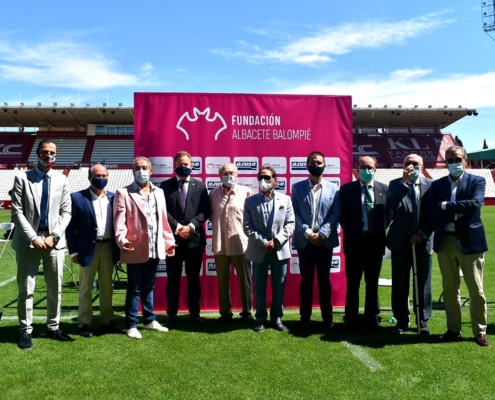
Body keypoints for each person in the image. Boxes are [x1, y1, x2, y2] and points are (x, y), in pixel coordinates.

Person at [11, 139, 72, 350]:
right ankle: (26, 331)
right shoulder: (22, 178)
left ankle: (53, 327)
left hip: (53, 241)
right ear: (37, 153)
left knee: (55, 287)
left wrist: (53, 236)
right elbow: (17, 212)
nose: (49, 156)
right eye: (45, 152)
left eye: (52, 152)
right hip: (29, 242)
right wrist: (33, 237)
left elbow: (66, 213)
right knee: (26, 289)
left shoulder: (62, 180)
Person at [427, 146, 489, 346]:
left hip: (470, 242)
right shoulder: (437, 185)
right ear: (446, 162)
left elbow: (475, 205)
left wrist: (444, 206)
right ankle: (454, 329)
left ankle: (480, 330)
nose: (454, 163)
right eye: (450, 160)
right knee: (450, 289)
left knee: (476, 289)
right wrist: (455, 211)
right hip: (445, 241)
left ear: (466, 160)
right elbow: (431, 211)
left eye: (458, 159)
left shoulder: (477, 181)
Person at [114, 157, 177, 339]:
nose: (141, 170)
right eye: (137, 168)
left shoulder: (159, 192)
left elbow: (163, 221)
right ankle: (131, 324)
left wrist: (169, 242)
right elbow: (119, 222)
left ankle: (149, 320)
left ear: (151, 171)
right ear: (133, 171)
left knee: (149, 286)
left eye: (144, 167)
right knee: (134, 287)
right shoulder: (123, 193)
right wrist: (122, 240)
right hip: (134, 248)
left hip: (155, 248)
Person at [66, 164, 121, 338]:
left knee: (107, 287)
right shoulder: (77, 198)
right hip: (86, 249)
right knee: (85, 289)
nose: (101, 178)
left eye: (104, 175)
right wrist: (74, 252)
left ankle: (107, 320)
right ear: (90, 177)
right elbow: (70, 228)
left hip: (108, 247)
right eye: (97, 175)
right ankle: (84, 323)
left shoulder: (114, 198)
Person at [339, 156, 390, 330]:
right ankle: (351, 315)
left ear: (375, 169)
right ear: (357, 169)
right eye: (363, 167)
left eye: (370, 167)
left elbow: (388, 216)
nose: (366, 170)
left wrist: (377, 230)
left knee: (372, 281)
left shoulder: (385, 190)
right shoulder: (347, 190)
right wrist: (355, 231)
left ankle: (371, 315)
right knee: (353, 282)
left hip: (375, 243)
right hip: (354, 243)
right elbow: (342, 216)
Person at [291, 151, 340, 329]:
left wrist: (322, 234)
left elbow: (335, 214)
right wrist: (308, 234)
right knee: (306, 282)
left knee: (324, 282)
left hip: (324, 242)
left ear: (325, 165)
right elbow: (294, 213)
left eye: (319, 162)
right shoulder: (297, 188)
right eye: (313, 162)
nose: (316, 165)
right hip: (305, 243)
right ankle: (305, 318)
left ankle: (328, 318)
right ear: (307, 165)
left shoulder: (334, 188)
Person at [386, 154, 434, 335]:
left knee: (423, 283)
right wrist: (404, 182)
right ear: (403, 166)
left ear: (422, 166)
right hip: (400, 242)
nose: (412, 166)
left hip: (422, 241)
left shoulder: (431, 186)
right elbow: (391, 205)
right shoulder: (395, 184)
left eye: (415, 163)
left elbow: (433, 214)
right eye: (408, 163)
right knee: (400, 283)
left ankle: (422, 321)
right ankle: (401, 320)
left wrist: (423, 233)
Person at [160, 151, 210, 326]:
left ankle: (194, 314)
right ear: (175, 165)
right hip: (172, 241)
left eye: (187, 164)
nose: (183, 166)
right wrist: (178, 227)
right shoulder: (164, 186)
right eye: (180, 164)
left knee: (193, 279)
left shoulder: (201, 186)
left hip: (194, 241)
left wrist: (192, 226)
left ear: (192, 165)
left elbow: (205, 211)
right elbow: (162, 211)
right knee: (172, 279)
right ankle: (171, 314)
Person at [243, 167, 295, 332]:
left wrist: (277, 241)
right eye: (260, 177)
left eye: (266, 177)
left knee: (279, 284)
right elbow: (247, 227)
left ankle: (277, 318)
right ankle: (260, 319)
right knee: (259, 285)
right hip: (260, 250)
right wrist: (264, 243)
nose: (262, 181)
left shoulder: (286, 200)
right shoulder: (250, 201)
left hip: (279, 250)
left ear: (275, 180)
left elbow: (290, 224)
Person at [209, 163, 254, 323]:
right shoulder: (213, 194)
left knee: (245, 280)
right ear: (220, 175)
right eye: (225, 172)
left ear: (237, 174)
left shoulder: (247, 192)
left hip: (241, 243)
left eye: (231, 172)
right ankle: (225, 313)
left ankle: (247, 312)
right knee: (222, 281)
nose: (229, 175)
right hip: (220, 244)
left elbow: (253, 218)